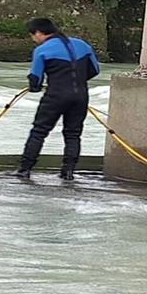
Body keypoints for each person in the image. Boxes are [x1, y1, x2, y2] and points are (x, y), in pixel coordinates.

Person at [11, 18, 100, 180]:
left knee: (39, 131)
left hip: (55, 96)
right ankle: (68, 172)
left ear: (38, 33)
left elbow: (36, 80)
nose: (34, 40)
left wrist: (35, 87)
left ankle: (24, 170)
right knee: (73, 134)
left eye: (33, 36)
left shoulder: (42, 50)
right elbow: (95, 70)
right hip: (80, 96)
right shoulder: (83, 45)